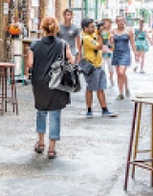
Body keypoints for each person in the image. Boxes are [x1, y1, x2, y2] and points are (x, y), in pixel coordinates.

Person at [27, 16, 74, 159]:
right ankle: (52, 148)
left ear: (42, 28)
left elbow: (30, 64)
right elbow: (71, 60)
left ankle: (41, 142)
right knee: (55, 114)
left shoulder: (34, 45)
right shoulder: (62, 44)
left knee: (41, 111)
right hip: (57, 83)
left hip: (40, 83)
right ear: (56, 29)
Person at [81, 19, 116, 118]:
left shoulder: (92, 34)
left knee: (101, 88)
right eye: (91, 26)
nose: (94, 28)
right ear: (85, 28)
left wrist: (100, 29)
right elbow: (99, 46)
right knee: (90, 88)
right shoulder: (86, 38)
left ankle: (104, 109)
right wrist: (100, 35)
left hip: (99, 65)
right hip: (91, 67)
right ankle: (89, 110)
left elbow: (98, 32)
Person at [109, 15, 135, 100]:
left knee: (121, 72)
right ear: (116, 22)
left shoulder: (128, 31)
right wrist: (111, 39)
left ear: (124, 21)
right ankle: (121, 93)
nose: (121, 22)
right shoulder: (113, 31)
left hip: (125, 53)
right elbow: (111, 45)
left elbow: (132, 43)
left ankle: (126, 87)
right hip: (116, 53)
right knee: (119, 74)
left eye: (122, 20)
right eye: (119, 21)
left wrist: (135, 53)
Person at [100, 18, 114, 88]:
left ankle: (111, 79)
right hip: (101, 51)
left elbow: (112, 43)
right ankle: (103, 80)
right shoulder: (100, 31)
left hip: (109, 51)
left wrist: (111, 39)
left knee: (110, 67)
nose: (105, 23)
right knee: (102, 67)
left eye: (107, 22)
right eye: (104, 22)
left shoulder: (112, 32)